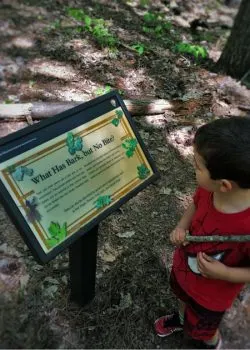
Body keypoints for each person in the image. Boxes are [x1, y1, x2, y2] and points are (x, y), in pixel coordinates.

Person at [154, 116, 250, 349]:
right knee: (183, 301)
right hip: (185, 270)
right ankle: (182, 319)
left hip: (211, 296)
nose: (193, 168)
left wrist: (226, 273)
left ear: (225, 184)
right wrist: (181, 226)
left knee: (204, 330)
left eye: (197, 166)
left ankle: (212, 343)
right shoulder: (209, 189)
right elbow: (195, 204)